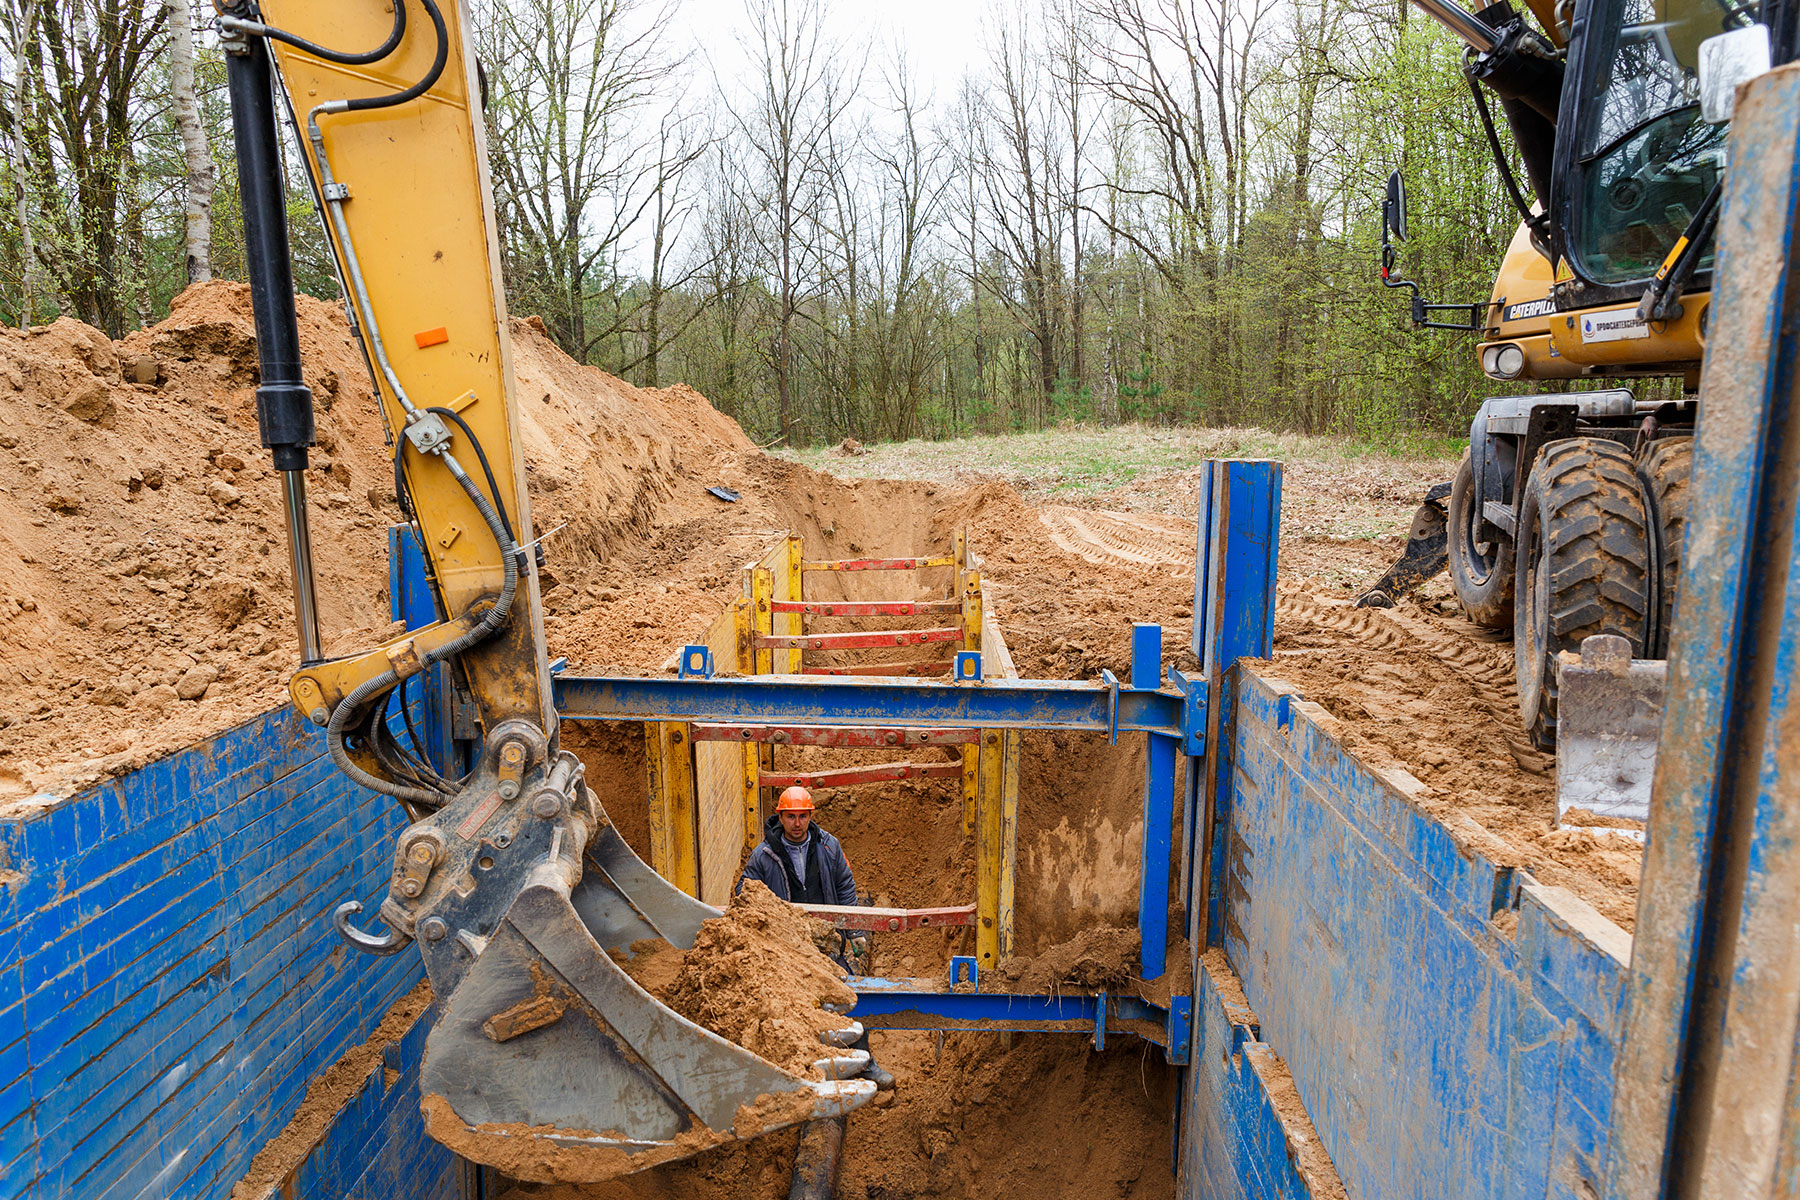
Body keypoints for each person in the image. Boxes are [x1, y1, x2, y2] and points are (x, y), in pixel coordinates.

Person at [737, 785, 894, 1091]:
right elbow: (744, 895)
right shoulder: (763, 855)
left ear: (811, 816)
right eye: (791, 817)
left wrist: (856, 931)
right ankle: (799, 1075)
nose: (797, 823)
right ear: (780, 817)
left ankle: (864, 1065)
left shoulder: (828, 846)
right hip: (786, 948)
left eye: (802, 816)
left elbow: (846, 888)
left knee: (848, 998)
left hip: (826, 943)